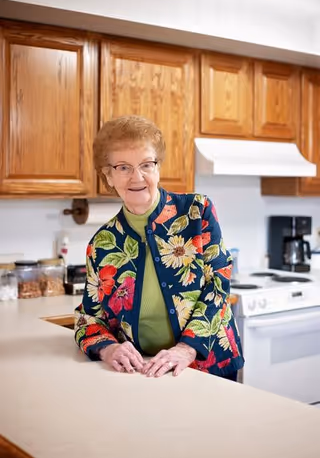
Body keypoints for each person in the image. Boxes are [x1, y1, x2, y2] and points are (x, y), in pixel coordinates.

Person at [74, 115, 244, 380]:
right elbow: (88, 319)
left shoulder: (196, 213)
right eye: (123, 167)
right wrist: (108, 349)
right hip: (144, 373)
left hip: (206, 364)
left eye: (146, 164)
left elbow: (218, 287)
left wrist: (186, 349)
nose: (137, 177)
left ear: (158, 167)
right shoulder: (102, 244)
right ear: (107, 175)